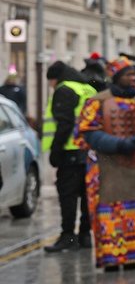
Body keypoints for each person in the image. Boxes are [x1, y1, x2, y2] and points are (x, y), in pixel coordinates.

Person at [76, 57, 135, 270]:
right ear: (116, 77)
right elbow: (88, 131)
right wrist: (118, 144)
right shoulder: (97, 102)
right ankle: (112, 259)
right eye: (128, 74)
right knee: (110, 211)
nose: (134, 78)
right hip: (108, 169)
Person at [41, 61, 97, 252]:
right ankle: (84, 235)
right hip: (89, 150)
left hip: (70, 151)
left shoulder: (64, 90)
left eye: (51, 82)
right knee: (87, 194)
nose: (51, 86)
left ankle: (68, 236)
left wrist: (55, 153)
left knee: (68, 196)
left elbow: (64, 124)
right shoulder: (88, 89)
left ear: (55, 78)